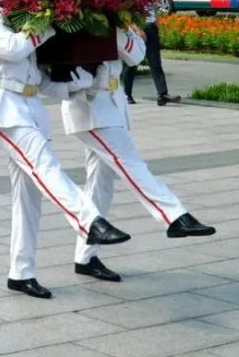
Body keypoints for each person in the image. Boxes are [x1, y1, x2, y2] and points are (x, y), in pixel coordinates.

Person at [0, 0, 130, 299]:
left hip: (28, 109)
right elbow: (13, 49)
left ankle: (20, 272)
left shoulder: (22, 22)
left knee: (27, 196)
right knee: (44, 164)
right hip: (0, 110)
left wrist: (81, 84)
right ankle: (89, 221)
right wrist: (50, 21)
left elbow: (39, 81)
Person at [63, 24, 215, 282]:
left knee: (100, 185)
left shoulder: (117, 23)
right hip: (90, 109)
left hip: (112, 103)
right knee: (131, 163)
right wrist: (123, 34)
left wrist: (123, 31)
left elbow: (136, 55)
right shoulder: (80, 20)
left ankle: (85, 257)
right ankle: (174, 216)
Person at [123, 5, 181, 106]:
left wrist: (156, 27)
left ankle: (162, 95)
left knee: (155, 62)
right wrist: (136, 29)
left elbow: (153, 10)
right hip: (137, 29)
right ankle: (127, 95)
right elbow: (126, 13)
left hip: (151, 27)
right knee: (132, 61)